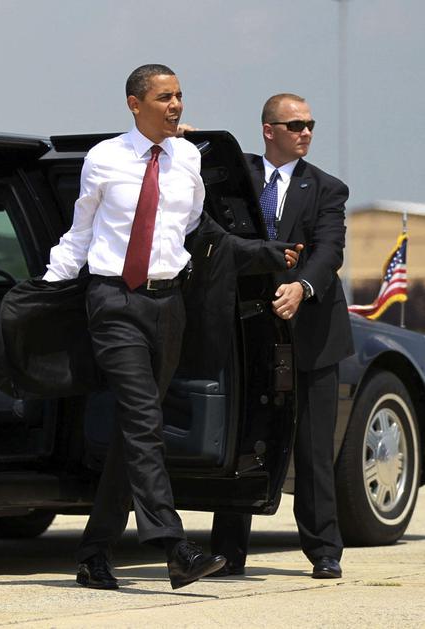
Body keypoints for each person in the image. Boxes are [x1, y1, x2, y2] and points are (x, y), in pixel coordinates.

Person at [40, 67, 301, 591]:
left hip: (168, 306)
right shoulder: (105, 158)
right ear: (135, 104)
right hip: (114, 301)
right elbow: (80, 233)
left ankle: (93, 554)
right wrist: (45, 291)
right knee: (142, 418)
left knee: (133, 432)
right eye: (164, 97)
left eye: (179, 95)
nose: (176, 104)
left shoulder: (187, 158)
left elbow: (200, 233)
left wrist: (264, 254)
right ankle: (173, 544)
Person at [210, 93, 354, 579]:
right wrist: (183, 142)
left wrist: (302, 287)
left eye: (310, 124)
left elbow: (330, 250)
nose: (306, 132)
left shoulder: (328, 188)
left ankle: (324, 550)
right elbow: (200, 171)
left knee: (313, 448)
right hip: (249, 334)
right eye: (295, 125)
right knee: (244, 440)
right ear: (268, 130)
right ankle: (228, 551)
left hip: (313, 332)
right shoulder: (241, 175)